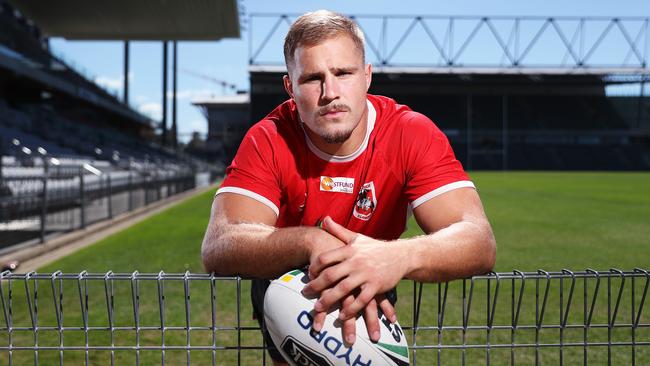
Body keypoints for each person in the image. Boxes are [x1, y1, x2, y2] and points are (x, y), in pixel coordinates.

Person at [201, 9, 496, 365]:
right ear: (289, 87)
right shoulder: (269, 137)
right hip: (295, 289)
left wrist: (399, 255)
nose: (330, 92)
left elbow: (479, 240)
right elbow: (219, 243)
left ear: (367, 76)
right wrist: (311, 241)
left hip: (375, 283)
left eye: (343, 73)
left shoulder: (410, 132)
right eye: (312, 78)